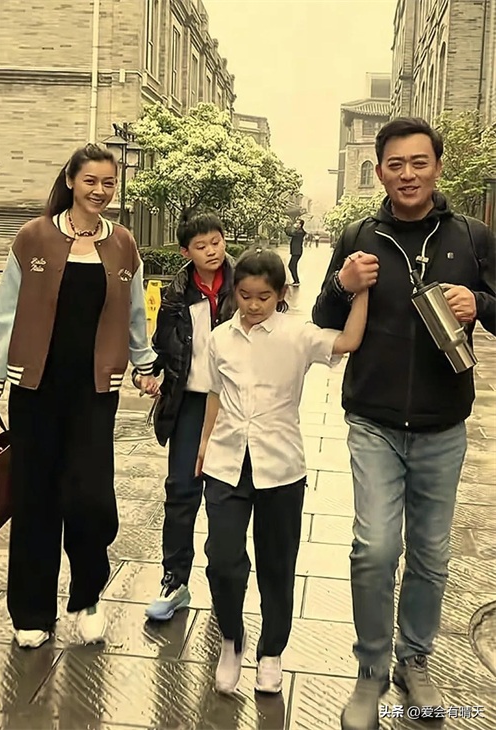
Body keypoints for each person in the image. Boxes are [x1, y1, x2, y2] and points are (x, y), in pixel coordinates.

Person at [312, 117, 496, 730]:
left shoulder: (472, 237)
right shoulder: (359, 236)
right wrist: (343, 284)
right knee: (375, 548)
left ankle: (413, 659)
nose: (408, 174)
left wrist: (481, 304)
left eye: (419, 162)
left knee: (431, 552)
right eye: (396, 164)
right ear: (380, 170)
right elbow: (323, 320)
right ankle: (369, 670)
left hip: (443, 425)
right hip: (374, 419)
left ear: (437, 167)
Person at [0, 143, 159, 650]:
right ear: (70, 180)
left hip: (94, 390)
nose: (100, 191)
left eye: (109, 182)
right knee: (36, 498)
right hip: (35, 389)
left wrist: (144, 364)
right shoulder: (33, 237)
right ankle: (32, 612)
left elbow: (134, 312)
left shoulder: (123, 243)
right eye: (91, 181)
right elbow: (5, 313)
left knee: (91, 499)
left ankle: (87, 598)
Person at [195, 248, 369, 695]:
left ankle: (271, 651)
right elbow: (213, 392)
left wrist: (362, 291)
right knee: (223, 560)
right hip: (226, 463)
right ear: (234, 292)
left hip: (281, 467)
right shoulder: (219, 338)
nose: (253, 305)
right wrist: (203, 443)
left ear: (281, 294)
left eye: (264, 297)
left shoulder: (298, 335)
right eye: (245, 295)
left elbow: (349, 341)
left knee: (277, 564)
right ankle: (231, 639)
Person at [140, 208, 235, 622]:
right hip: (190, 404)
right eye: (201, 246)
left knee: (225, 497)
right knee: (181, 489)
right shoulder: (177, 295)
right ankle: (174, 580)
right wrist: (149, 375)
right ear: (186, 252)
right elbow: (163, 347)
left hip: (234, 406)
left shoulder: (244, 284)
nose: (212, 251)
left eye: (216, 242)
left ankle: (224, 583)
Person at [287, 219, 306, 285]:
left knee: (292, 266)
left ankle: (296, 281)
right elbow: (289, 233)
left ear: (301, 225)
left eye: (298, 223)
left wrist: (292, 227)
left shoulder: (300, 232)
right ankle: (296, 280)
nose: (296, 224)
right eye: (296, 223)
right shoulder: (298, 231)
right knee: (292, 265)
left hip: (297, 251)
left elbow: (290, 233)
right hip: (296, 251)